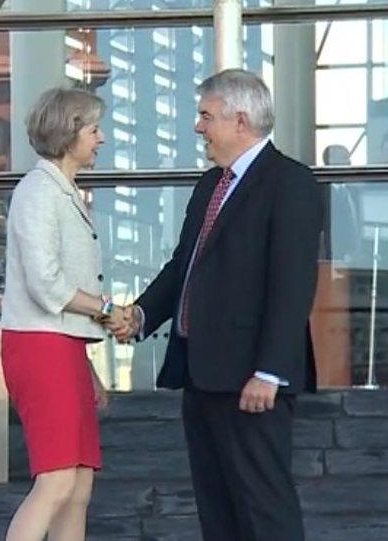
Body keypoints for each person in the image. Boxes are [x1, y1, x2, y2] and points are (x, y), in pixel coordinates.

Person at [112, 69, 322, 541]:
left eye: (206, 116)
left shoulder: (289, 183)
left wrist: (269, 371)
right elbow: (183, 266)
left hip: (252, 379)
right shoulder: (210, 185)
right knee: (218, 510)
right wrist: (143, 314)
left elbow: (292, 285)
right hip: (201, 374)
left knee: (264, 509)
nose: (198, 127)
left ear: (240, 120)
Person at [0, 86, 124, 541]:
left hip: (64, 347)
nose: (102, 138)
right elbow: (45, 282)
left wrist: (87, 368)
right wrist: (107, 309)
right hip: (38, 347)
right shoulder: (37, 191)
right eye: (94, 129)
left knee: (79, 484)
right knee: (55, 480)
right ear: (70, 133)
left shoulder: (64, 191)